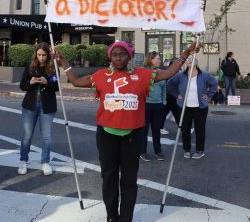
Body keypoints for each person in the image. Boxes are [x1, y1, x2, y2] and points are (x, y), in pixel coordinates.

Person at [55, 40, 200, 222]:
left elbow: (169, 73)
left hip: (132, 135)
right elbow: (76, 81)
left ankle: (126, 218)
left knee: (129, 181)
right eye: (114, 55)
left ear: (129, 57)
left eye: (122, 54)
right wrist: (62, 61)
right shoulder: (101, 75)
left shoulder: (142, 75)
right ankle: (111, 216)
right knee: (109, 178)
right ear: (110, 57)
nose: (118, 58)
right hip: (107, 135)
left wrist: (186, 53)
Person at [18, 42, 59, 176]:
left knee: (46, 136)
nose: (41, 57)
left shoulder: (53, 68)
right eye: (39, 54)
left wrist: (48, 82)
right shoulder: (30, 66)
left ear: (48, 55)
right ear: (36, 54)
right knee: (27, 135)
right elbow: (22, 85)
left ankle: (45, 162)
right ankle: (23, 160)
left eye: (44, 55)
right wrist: (30, 82)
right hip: (30, 105)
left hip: (47, 106)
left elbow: (57, 87)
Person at [167, 56, 217, 160]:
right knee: (185, 129)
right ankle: (187, 149)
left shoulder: (204, 75)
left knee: (200, 129)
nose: (190, 60)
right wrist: (177, 94)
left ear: (196, 62)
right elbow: (170, 84)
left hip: (200, 107)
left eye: (192, 58)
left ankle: (200, 150)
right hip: (185, 107)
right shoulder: (181, 75)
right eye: (188, 59)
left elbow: (214, 84)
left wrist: (208, 95)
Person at [140, 51, 166, 162]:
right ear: (150, 59)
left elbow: (164, 88)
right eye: (158, 59)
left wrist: (164, 102)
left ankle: (158, 151)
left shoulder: (161, 73)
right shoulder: (143, 72)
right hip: (146, 105)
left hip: (158, 105)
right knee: (144, 130)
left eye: (159, 59)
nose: (159, 60)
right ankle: (143, 151)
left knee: (156, 130)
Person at [160, 56, 181, 134]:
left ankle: (160, 127)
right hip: (172, 95)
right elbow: (169, 85)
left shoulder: (172, 71)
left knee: (165, 112)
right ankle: (181, 127)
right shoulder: (173, 72)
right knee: (176, 112)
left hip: (170, 95)